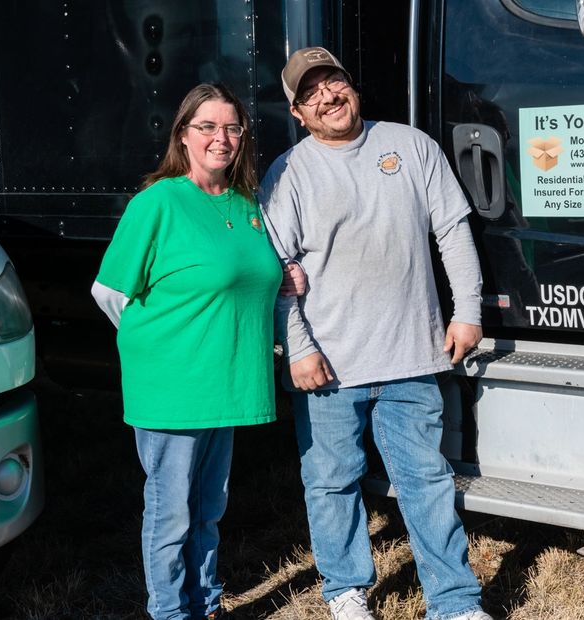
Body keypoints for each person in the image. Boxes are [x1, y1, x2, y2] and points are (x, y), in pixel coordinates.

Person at [259, 48, 492, 620]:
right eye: (310, 93)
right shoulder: (288, 173)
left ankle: (455, 603)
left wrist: (467, 309)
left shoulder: (410, 146)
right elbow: (277, 270)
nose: (327, 97)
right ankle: (345, 591)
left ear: (350, 85)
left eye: (333, 81)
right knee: (332, 482)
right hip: (330, 366)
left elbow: (453, 233)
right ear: (296, 111)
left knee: (428, 482)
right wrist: (300, 347)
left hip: (413, 354)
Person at [91, 83, 302, 620]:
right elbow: (110, 292)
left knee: (209, 509)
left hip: (226, 384)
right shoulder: (158, 202)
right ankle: (170, 611)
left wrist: (285, 279)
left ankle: (205, 604)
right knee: (171, 515)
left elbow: (252, 276)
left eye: (232, 127)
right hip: (173, 388)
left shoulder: (247, 204)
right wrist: (163, 347)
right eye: (207, 126)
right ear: (183, 136)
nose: (221, 138)